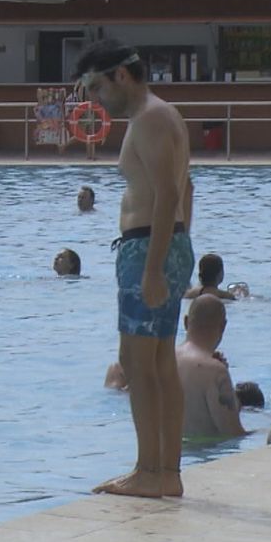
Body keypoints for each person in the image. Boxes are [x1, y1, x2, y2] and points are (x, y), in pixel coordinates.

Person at [77, 39, 195, 498]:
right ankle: (168, 472)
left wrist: (152, 268)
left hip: (150, 247)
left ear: (120, 76)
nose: (93, 100)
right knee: (159, 362)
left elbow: (167, 194)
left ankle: (150, 471)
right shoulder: (162, 115)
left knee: (137, 362)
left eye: (95, 86)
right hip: (165, 244)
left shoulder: (148, 119)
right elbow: (188, 187)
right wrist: (179, 245)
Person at [176, 296, 249, 438]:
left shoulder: (162, 361)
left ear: (185, 322)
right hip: (203, 454)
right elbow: (232, 433)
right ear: (223, 327)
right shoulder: (215, 372)